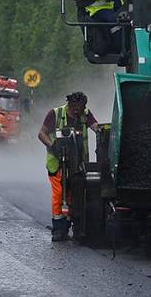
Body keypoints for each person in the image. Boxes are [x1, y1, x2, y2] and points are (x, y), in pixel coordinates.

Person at [37, 91, 100, 241]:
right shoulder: (55, 114)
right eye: (74, 107)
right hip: (57, 163)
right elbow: (41, 134)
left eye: (81, 107)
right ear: (69, 104)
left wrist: (105, 131)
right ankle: (59, 228)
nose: (77, 110)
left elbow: (96, 127)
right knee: (59, 195)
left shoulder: (85, 114)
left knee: (77, 194)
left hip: (78, 163)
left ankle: (77, 225)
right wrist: (53, 145)